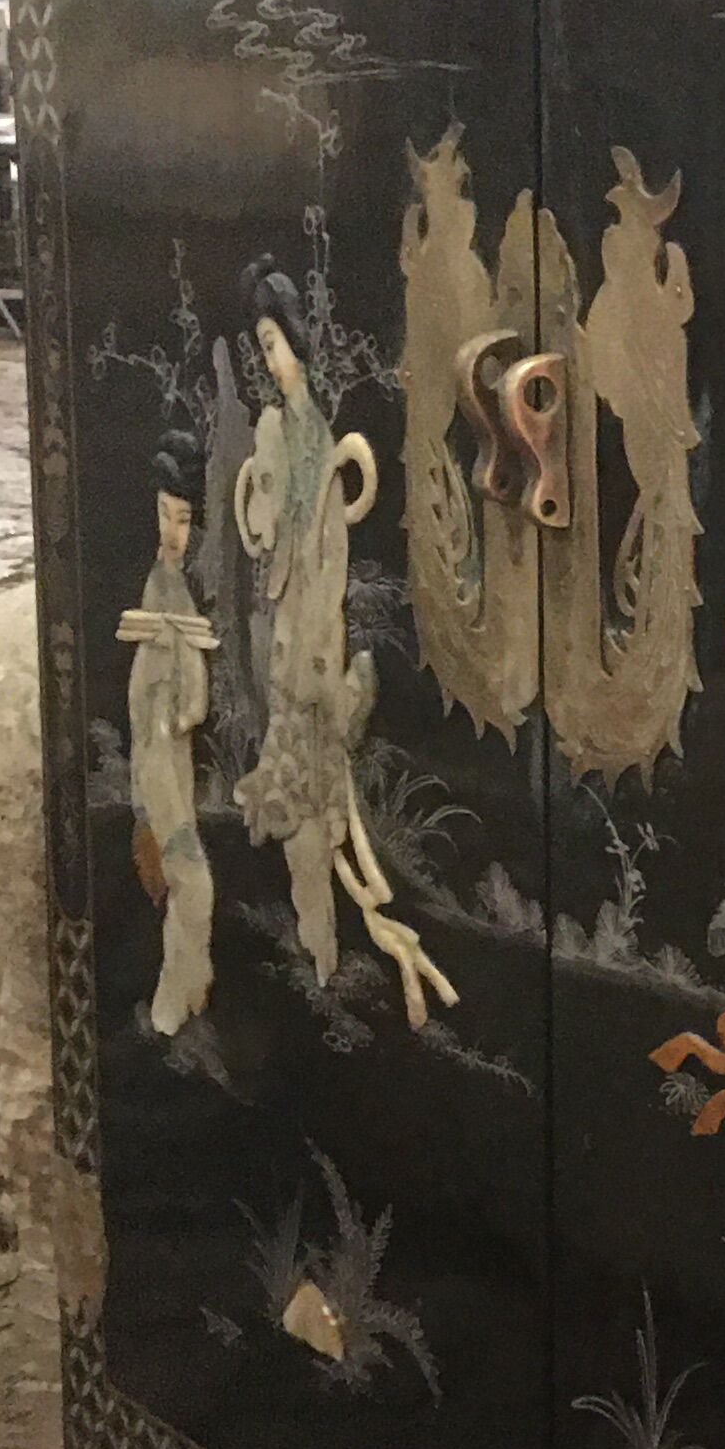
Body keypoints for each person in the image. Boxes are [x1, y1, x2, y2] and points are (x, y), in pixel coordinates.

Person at [229, 259, 455, 1029]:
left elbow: (323, 551)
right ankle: (320, 954)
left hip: (314, 641)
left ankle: (331, 955)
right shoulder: (277, 431)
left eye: (273, 344)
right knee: (302, 811)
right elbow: (269, 536)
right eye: (261, 349)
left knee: (320, 806)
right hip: (294, 640)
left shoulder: (315, 436)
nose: (270, 360)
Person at [117, 436, 217, 1035]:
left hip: (170, 749)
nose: (174, 532)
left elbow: (191, 661)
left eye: (183, 519)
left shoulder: (174, 590)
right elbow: (151, 683)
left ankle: (184, 987)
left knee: (190, 879)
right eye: (165, 517)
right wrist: (181, 710)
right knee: (191, 877)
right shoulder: (157, 591)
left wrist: (191, 703)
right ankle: (175, 991)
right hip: (157, 748)